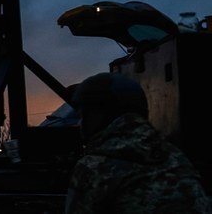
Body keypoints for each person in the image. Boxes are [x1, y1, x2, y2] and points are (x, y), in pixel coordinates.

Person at [64, 72, 211, 213]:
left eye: (85, 115)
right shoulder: (175, 156)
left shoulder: (94, 166)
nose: (81, 123)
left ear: (103, 115)